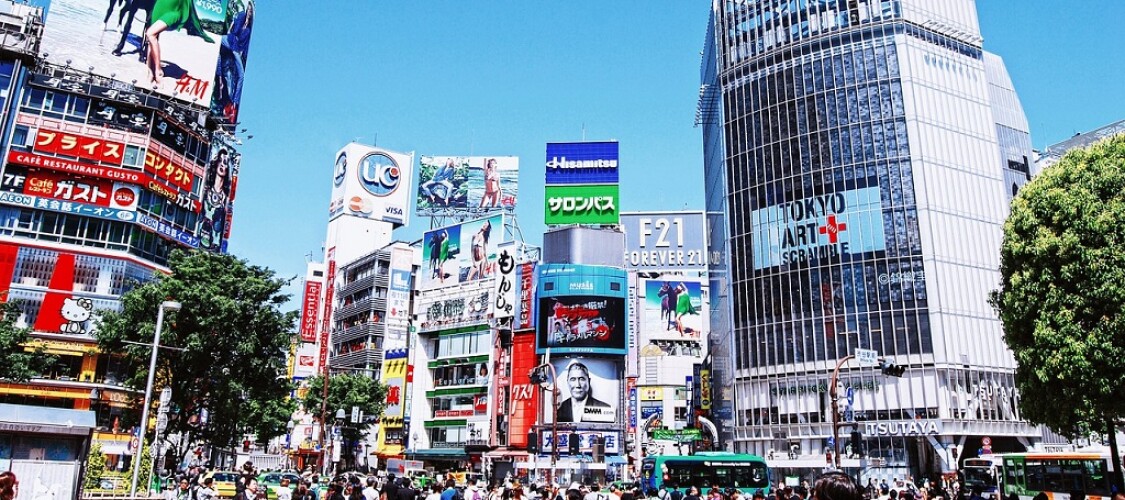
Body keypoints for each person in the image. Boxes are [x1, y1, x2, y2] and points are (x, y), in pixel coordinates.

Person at [143, 0, 215, 85]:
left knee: (150, 33)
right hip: (159, 7)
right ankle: (150, 72)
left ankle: (158, 71)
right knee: (153, 38)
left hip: (174, 10)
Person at [200, 147, 232, 251]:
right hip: (198, 238)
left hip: (213, 247)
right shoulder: (205, 190)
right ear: (216, 163)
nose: (223, 165)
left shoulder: (225, 199)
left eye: (226, 162)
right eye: (221, 161)